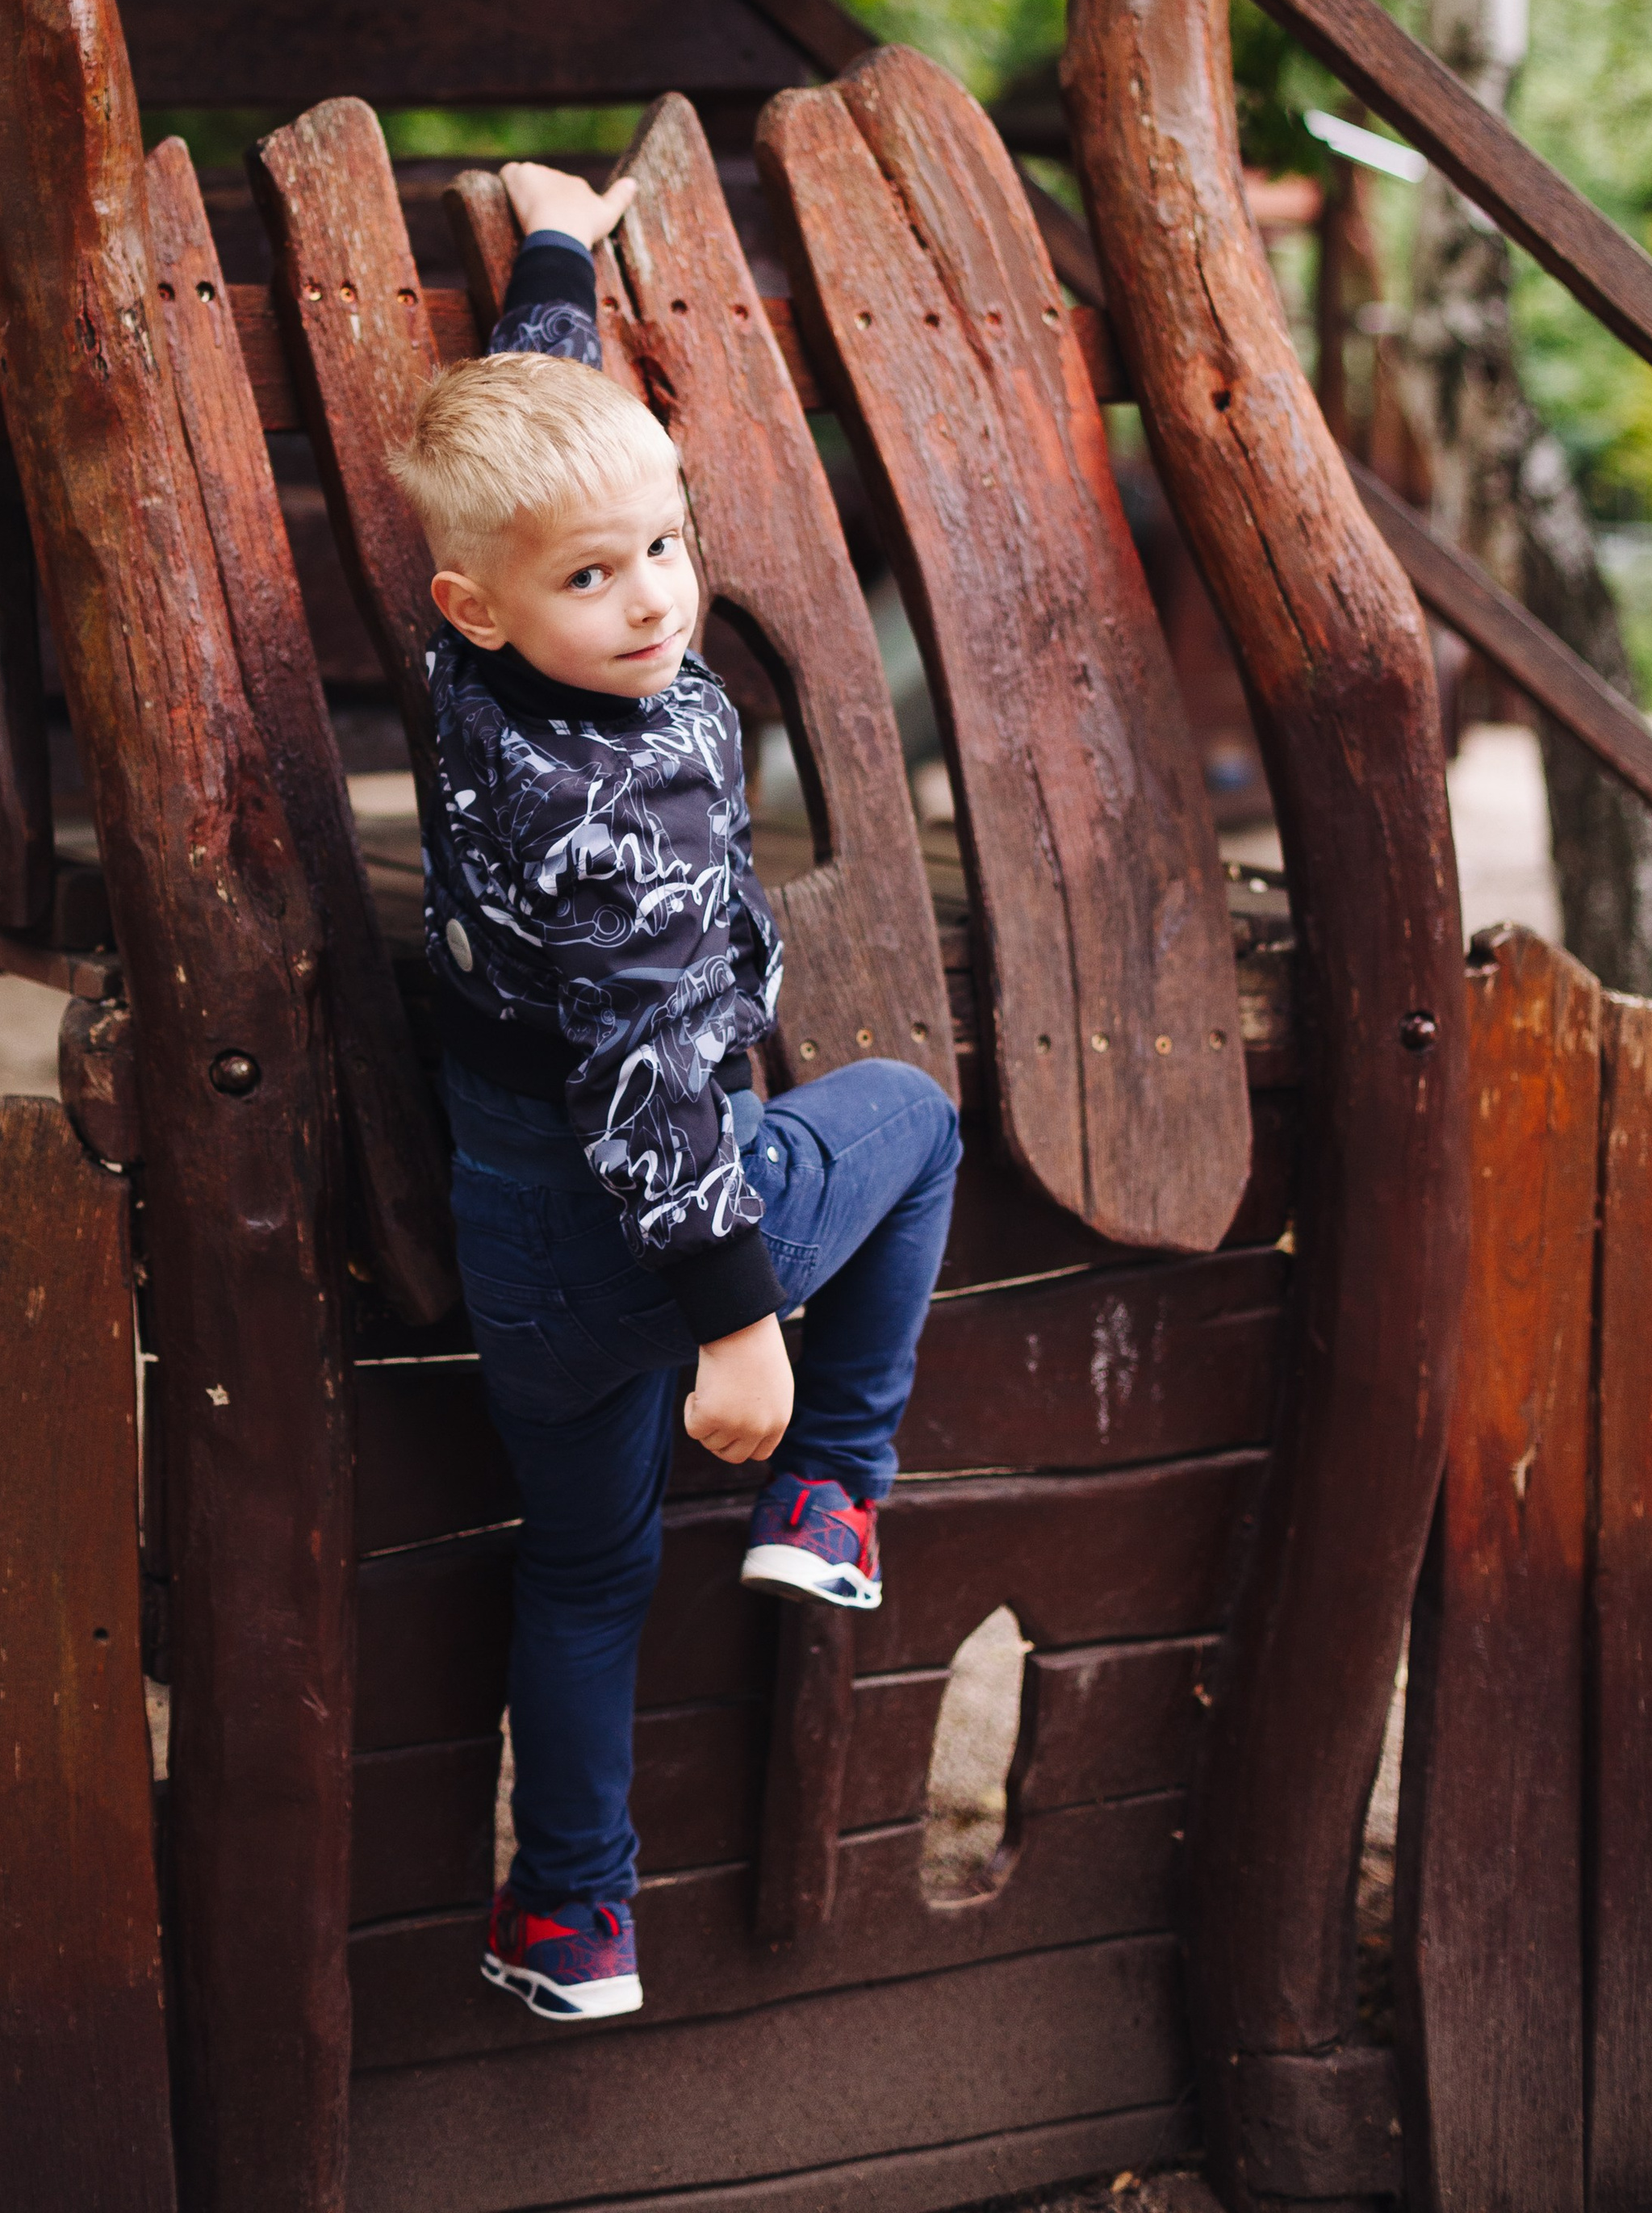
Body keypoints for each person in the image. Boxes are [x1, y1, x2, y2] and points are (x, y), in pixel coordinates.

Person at [389, 159, 960, 2025]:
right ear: (484, 605)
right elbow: (649, 1090)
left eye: (661, 547)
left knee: (582, 1575)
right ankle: (834, 1492)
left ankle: (570, 1920)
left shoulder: (466, 667)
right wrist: (736, 1329)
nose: (647, 600)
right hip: (655, 1226)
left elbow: (549, 453)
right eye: (593, 576)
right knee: (911, 1119)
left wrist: (558, 247)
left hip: (515, 1241)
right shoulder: (617, 805)